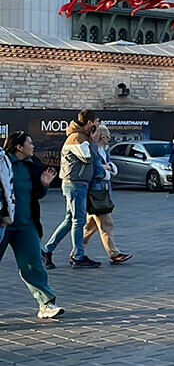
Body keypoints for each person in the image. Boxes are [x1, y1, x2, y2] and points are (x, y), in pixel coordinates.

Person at [2, 131, 65, 318]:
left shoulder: (33, 165)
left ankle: (46, 304)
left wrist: (44, 184)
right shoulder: (3, 164)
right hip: (3, 223)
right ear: (19, 147)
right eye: (30, 143)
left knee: (33, 264)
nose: (33, 146)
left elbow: (36, 194)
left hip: (26, 224)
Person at [42, 109, 101, 269]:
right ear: (90, 123)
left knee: (70, 220)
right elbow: (88, 157)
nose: (98, 126)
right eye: (97, 123)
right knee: (78, 220)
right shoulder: (77, 138)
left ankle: (47, 250)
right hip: (75, 184)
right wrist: (94, 140)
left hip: (77, 183)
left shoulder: (81, 137)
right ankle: (78, 256)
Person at [82, 125, 131, 264]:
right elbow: (96, 171)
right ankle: (113, 253)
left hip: (103, 190)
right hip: (96, 192)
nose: (109, 138)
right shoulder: (94, 150)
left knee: (89, 227)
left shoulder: (104, 151)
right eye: (107, 135)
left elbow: (109, 165)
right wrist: (107, 170)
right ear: (102, 136)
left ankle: (77, 251)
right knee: (107, 223)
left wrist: (108, 168)